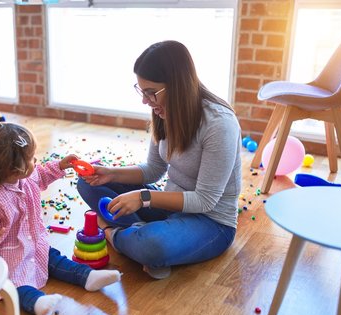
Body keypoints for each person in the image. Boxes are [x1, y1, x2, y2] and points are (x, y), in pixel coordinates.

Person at [77, 40, 242, 280]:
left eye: (151, 92)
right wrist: (110, 173)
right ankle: (138, 237)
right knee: (88, 183)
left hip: (211, 222)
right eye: (142, 91)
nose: (146, 101)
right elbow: (154, 170)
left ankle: (112, 231)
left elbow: (205, 201)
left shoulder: (219, 124)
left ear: (178, 86)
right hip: (169, 208)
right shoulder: (163, 110)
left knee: (152, 246)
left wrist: (143, 198)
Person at [0, 122, 121, 315]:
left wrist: (61, 165)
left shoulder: (26, 178)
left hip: (33, 244)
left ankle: (87, 276)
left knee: (53, 258)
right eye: (30, 159)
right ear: (14, 169)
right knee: (15, 284)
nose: (35, 161)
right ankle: (37, 302)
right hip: (6, 254)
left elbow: (43, 173)